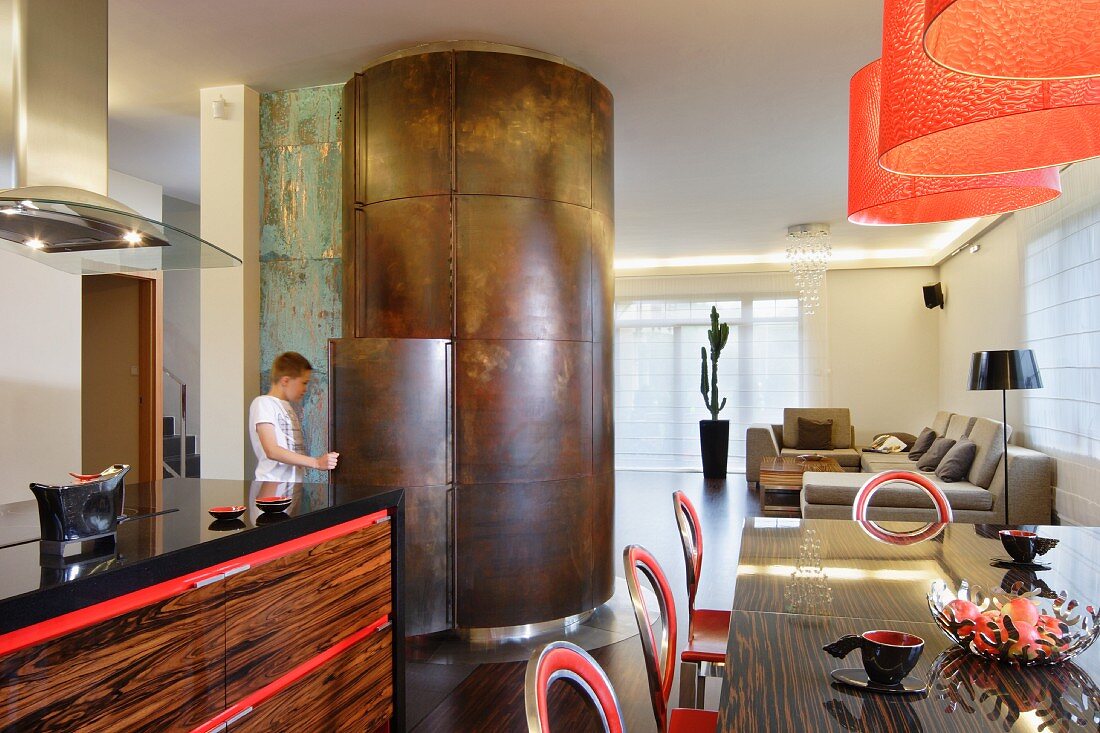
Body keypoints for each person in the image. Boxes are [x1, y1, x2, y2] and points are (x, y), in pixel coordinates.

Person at [249, 351, 339, 482]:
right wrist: (316, 463)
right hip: (271, 486)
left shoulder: (288, 408)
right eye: (304, 382)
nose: (306, 389)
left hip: (291, 486)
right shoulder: (263, 403)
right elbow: (272, 450)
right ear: (285, 380)